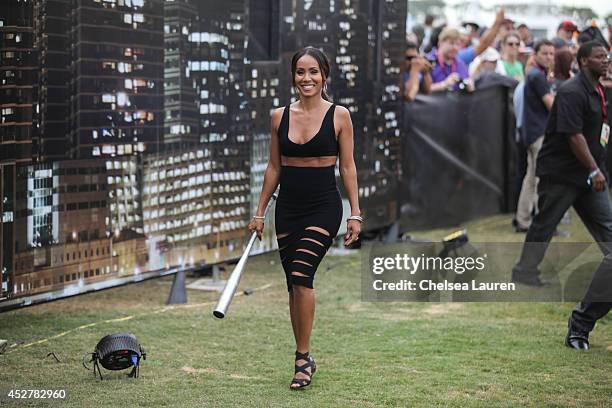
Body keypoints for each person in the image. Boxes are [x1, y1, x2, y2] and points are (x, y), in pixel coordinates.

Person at [248, 46, 361, 389]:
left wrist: (355, 213)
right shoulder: (279, 116)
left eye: (313, 72)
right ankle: (305, 355)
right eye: (300, 72)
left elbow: (347, 167)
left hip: (325, 207)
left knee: (301, 274)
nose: (306, 78)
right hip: (289, 209)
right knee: (294, 286)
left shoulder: (339, 115)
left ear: (324, 75)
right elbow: (273, 167)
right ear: (293, 76)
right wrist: (259, 212)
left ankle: (301, 359)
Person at [510, 41, 611, 349]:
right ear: (582, 61)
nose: (605, 60)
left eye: (607, 55)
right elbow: (573, 134)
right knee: (545, 223)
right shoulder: (570, 91)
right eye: (599, 56)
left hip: (585, 178)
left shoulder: (598, 89)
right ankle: (524, 270)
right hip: (563, 174)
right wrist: (595, 170)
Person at [514, 39, 555, 232]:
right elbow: (551, 105)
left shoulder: (535, 75)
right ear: (535, 54)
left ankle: (524, 220)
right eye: (545, 53)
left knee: (531, 178)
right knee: (541, 179)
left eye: (551, 54)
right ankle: (542, 223)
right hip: (538, 134)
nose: (549, 57)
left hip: (532, 133)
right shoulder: (537, 76)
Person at [428, 27, 473, 92]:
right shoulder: (427, 61)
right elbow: (418, 90)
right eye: (451, 43)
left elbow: (468, 81)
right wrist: (443, 84)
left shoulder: (460, 64)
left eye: (458, 44)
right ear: (440, 42)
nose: (455, 47)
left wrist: (469, 86)